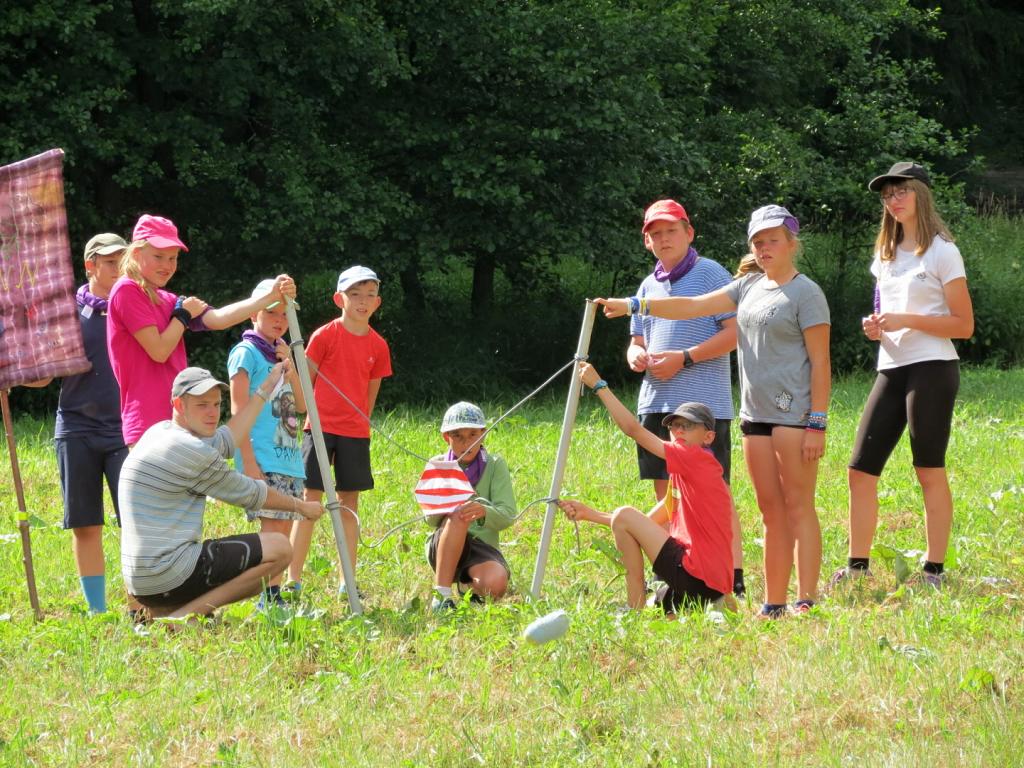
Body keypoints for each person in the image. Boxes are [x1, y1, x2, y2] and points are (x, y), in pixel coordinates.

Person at [596, 205, 831, 618]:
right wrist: (636, 306)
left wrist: (818, 421)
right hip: (754, 416)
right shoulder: (747, 286)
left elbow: (821, 361)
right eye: (757, 242)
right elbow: (690, 307)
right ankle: (774, 602)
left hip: (795, 416)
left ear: (792, 242)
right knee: (770, 511)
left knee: (799, 505)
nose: (763, 248)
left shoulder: (806, 292)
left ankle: (806, 597)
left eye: (772, 240)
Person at [832, 162, 974, 590]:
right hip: (890, 367)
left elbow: (964, 325)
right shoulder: (885, 254)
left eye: (900, 192)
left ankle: (934, 570)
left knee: (927, 468)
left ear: (920, 195)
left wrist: (906, 319)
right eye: (887, 195)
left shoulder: (943, 251)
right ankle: (858, 565)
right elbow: (885, 311)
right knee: (860, 469)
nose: (893, 201)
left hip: (932, 366)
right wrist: (875, 326)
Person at [119, 366, 323, 620]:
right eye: (202, 405)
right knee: (280, 548)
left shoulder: (159, 432)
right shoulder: (191, 451)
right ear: (179, 405)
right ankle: (186, 615)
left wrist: (266, 387)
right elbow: (252, 493)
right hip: (167, 576)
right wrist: (301, 506)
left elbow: (228, 439)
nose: (212, 413)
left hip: (141, 583)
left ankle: (160, 611)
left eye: (216, 404)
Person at [627, 199, 745, 596]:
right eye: (655, 233)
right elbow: (636, 340)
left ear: (689, 232)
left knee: (715, 494)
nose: (663, 239)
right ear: (647, 242)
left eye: (671, 230)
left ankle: (733, 576)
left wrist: (686, 357)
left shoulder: (712, 274)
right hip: (656, 401)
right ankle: (678, 570)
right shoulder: (648, 286)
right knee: (667, 492)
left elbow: (735, 333)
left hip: (702, 404)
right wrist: (636, 355)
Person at [106, 213, 296, 447]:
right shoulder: (126, 290)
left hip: (181, 419)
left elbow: (218, 319)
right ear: (136, 254)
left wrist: (269, 297)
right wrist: (183, 316)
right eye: (158, 256)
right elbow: (159, 350)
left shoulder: (168, 299)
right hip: (147, 421)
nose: (167, 266)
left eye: (173, 258)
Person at [558, 363, 733, 614]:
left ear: (708, 437)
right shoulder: (686, 474)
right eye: (674, 426)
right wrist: (591, 515)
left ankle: (633, 608)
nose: (678, 430)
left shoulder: (695, 458)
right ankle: (708, 604)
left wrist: (599, 386)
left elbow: (633, 430)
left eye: (689, 426)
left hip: (697, 576)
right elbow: (644, 523)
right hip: (704, 582)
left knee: (626, 513)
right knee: (663, 605)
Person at [23, 234, 129, 613]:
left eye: (124, 261)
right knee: (85, 524)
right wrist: (13, 373)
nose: (119, 269)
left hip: (124, 428)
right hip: (77, 428)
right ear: (91, 266)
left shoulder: (134, 306)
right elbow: (45, 375)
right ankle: (97, 612)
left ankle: (138, 606)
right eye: (112, 262)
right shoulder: (67, 313)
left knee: (132, 522)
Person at [288, 265, 392, 597]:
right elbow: (307, 384)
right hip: (318, 428)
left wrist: (359, 424)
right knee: (309, 500)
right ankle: (293, 579)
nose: (362, 301)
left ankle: (347, 579)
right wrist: (309, 419)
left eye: (369, 295)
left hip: (355, 433)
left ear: (378, 302)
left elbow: (370, 393)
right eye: (355, 294)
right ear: (339, 299)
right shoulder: (324, 336)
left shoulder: (378, 345)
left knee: (349, 502)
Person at [227, 279, 307, 608]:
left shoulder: (283, 354)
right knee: (272, 528)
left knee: (286, 528)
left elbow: (302, 406)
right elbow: (237, 410)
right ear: (253, 314)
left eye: (284, 315)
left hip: (288, 457)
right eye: (271, 312)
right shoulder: (245, 353)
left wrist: (292, 367)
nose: (279, 320)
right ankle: (266, 594)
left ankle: (273, 592)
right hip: (262, 457)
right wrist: (248, 461)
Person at [425, 402, 517, 612]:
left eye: (473, 434)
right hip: (444, 542)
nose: (466, 441)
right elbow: (429, 519)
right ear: (446, 437)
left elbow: (508, 514)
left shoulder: (495, 464)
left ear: (483, 435)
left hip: (482, 547)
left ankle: (467, 584)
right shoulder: (437, 464)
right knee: (459, 515)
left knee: (496, 584)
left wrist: (484, 511)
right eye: (457, 435)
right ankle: (441, 596)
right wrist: (449, 508)